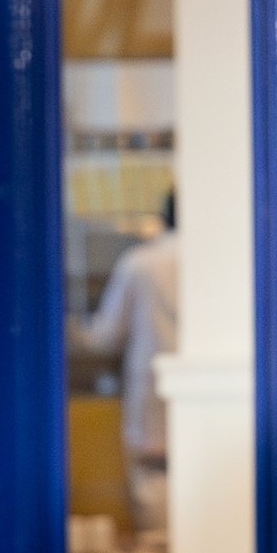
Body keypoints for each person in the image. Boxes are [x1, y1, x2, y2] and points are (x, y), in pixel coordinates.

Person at [76, 196, 179, 530]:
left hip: (152, 402)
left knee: (155, 489)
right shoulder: (224, 261)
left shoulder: (140, 263)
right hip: (210, 408)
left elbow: (104, 337)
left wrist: (70, 327)